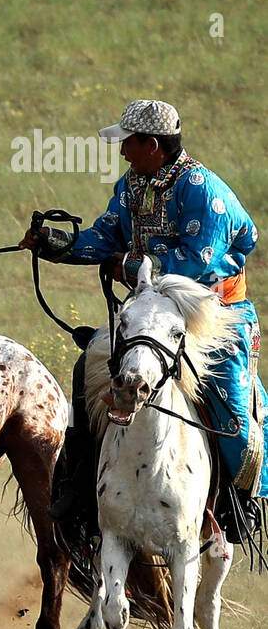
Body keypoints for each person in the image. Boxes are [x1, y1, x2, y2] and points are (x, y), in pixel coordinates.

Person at [22, 99, 265, 540]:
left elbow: (194, 263)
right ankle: (76, 482)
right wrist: (57, 245)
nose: (122, 152)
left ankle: (240, 500)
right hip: (152, 309)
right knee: (87, 369)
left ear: (151, 144)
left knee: (229, 395)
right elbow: (105, 235)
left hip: (210, 311)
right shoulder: (133, 184)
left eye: (127, 143)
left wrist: (128, 267)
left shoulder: (202, 191)